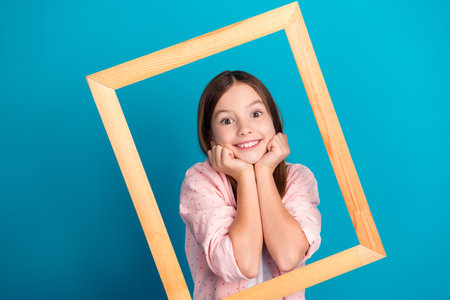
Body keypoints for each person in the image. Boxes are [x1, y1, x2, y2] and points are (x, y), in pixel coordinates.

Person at [179, 70, 321, 300]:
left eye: (255, 113)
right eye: (227, 120)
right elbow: (243, 264)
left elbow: (288, 256)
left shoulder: (298, 178)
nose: (244, 129)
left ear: (274, 122)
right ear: (211, 137)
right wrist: (245, 176)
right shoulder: (200, 181)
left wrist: (263, 172)